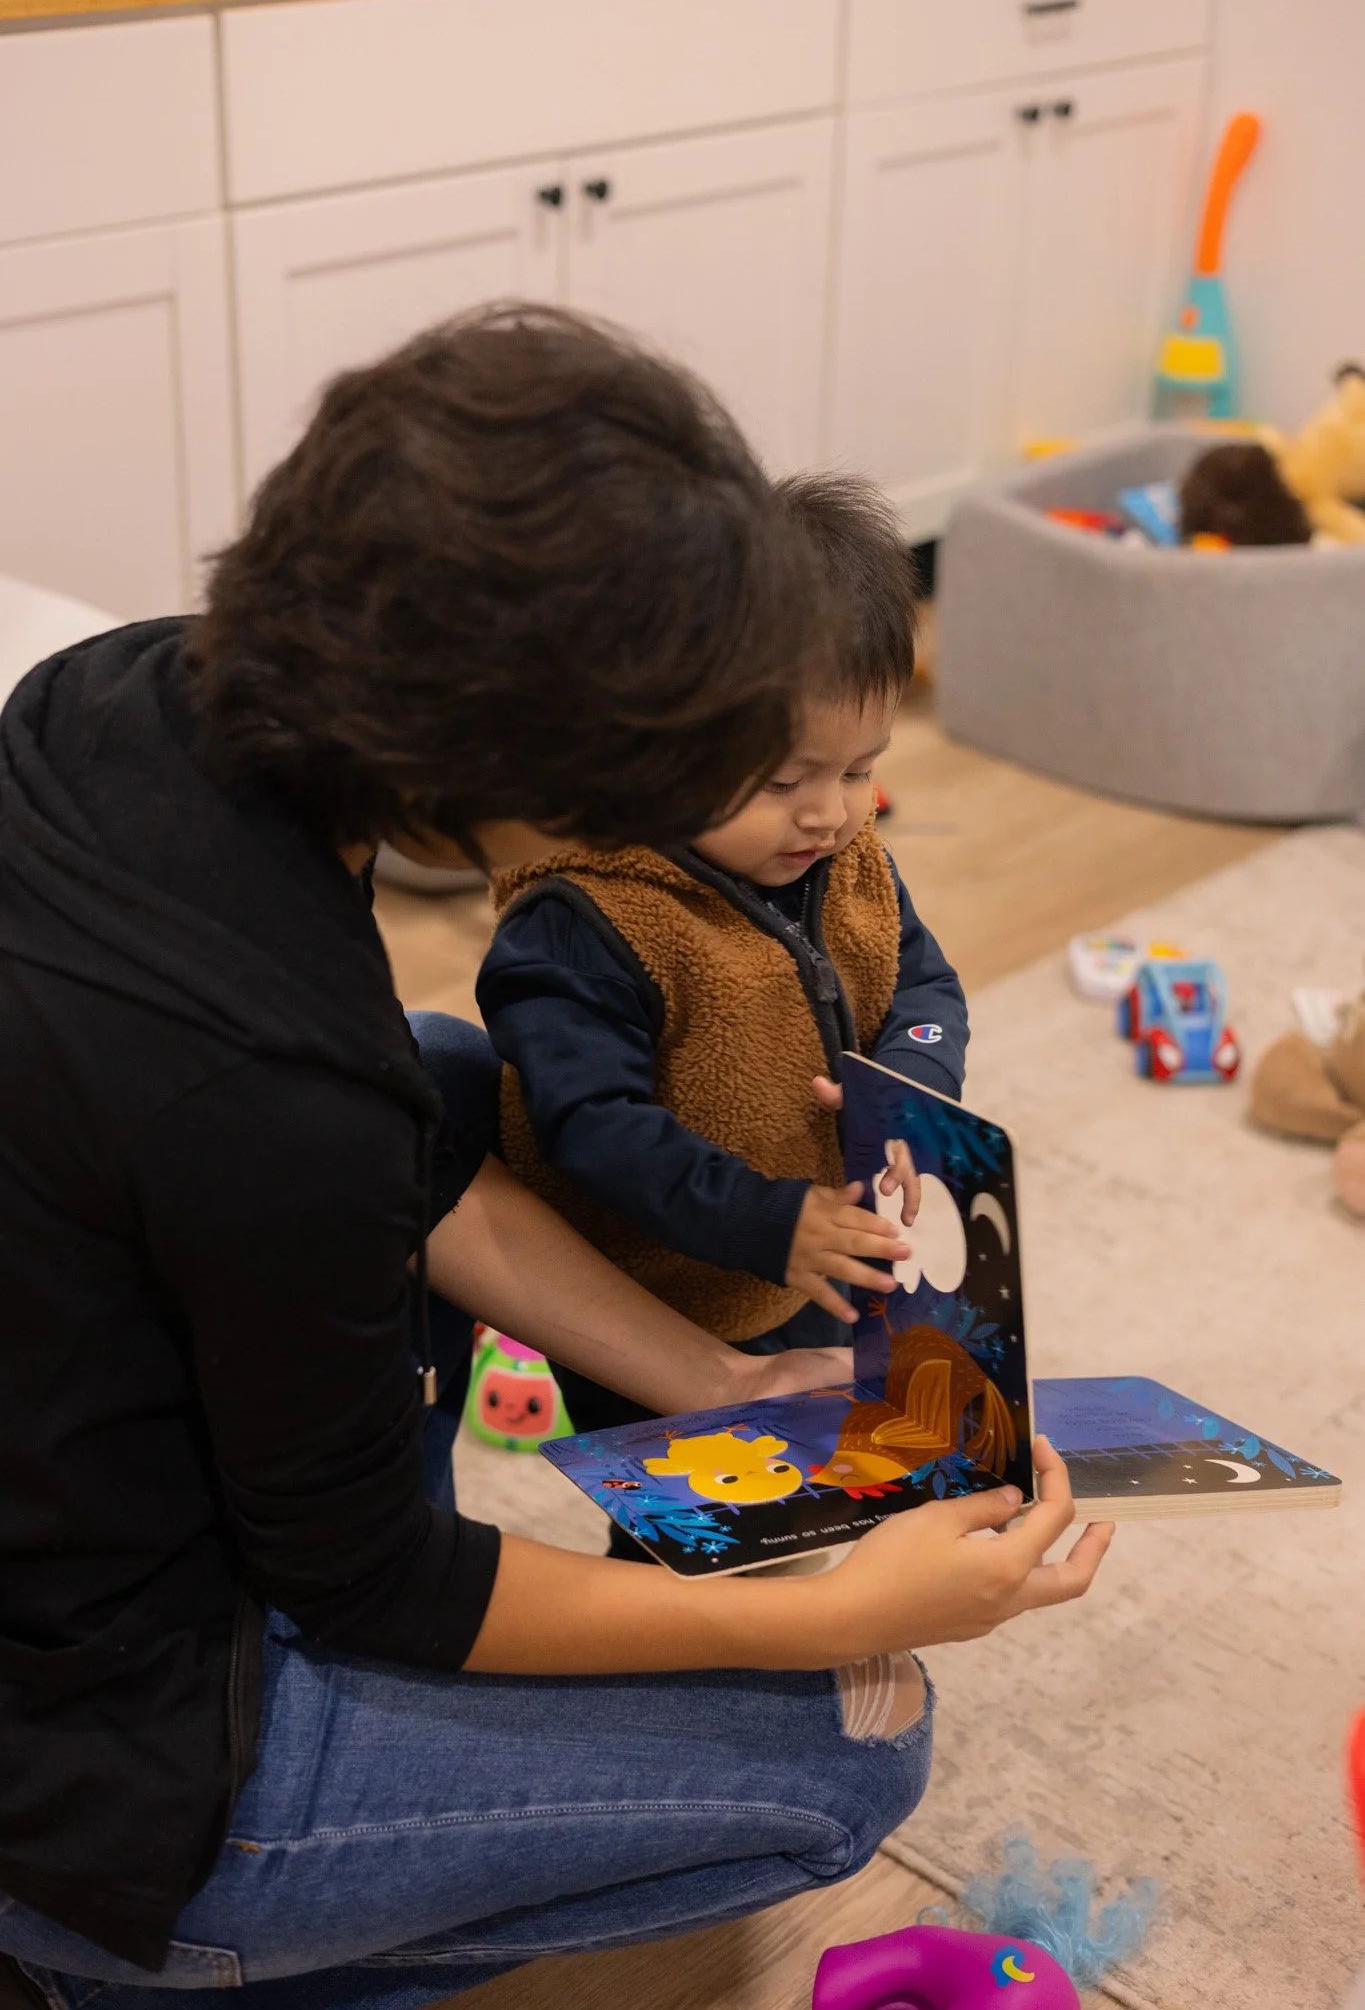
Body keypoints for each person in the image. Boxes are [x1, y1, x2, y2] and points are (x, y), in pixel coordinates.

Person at [0, 305, 1112, 2010]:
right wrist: (808, 1616)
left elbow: (391, 1138)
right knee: (861, 1743)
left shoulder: (128, 688)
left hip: (95, 1470)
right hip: (101, 1778)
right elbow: (376, 1573)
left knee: (442, 1069)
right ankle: (152, 1974)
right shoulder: (263, 1088)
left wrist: (714, 1379)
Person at [477, 475, 965, 1541]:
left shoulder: (846, 855)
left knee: (833, 1471)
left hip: (820, 1249)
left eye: (862, 769)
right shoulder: (583, 919)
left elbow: (924, 983)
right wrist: (766, 1220)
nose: (832, 811)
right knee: (698, 1517)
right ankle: (688, 1678)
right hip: (653, 1297)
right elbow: (590, 1125)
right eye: (788, 779)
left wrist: (916, 1084)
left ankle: (805, 1608)